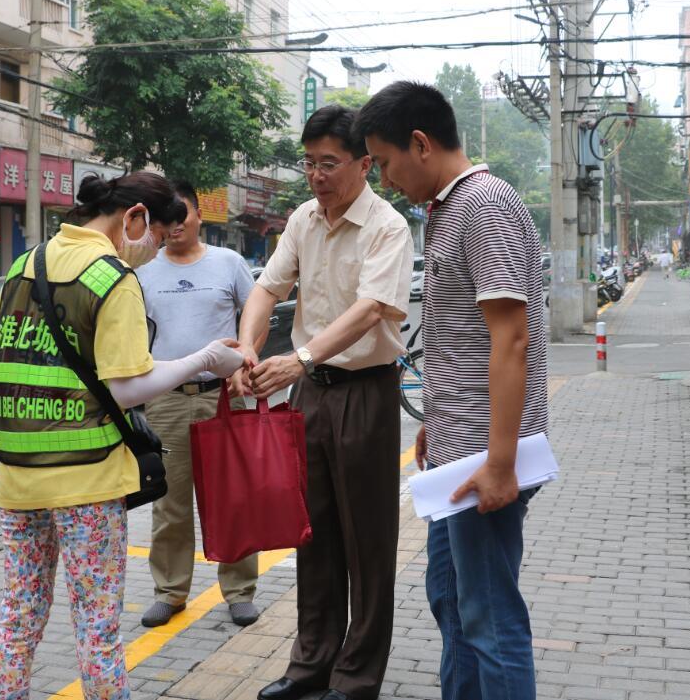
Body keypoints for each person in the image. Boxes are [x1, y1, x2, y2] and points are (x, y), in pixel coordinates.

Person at [0, 171, 245, 700]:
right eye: (156, 236)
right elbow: (126, 388)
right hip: (87, 481)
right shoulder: (112, 277)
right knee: (96, 627)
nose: (153, 250)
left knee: (19, 615)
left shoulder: (26, 264)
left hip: (19, 477)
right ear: (135, 218)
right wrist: (206, 358)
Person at [355, 81, 549, 700]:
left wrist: (500, 462)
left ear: (420, 143)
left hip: (484, 459)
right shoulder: (449, 209)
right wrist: (434, 427)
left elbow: (511, 339)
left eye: (385, 162)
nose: (385, 179)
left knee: (490, 618)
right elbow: (458, 340)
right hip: (456, 449)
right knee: (449, 596)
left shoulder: (484, 205)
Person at [235, 105, 414, 700]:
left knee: (368, 541)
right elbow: (267, 288)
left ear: (364, 164)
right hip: (310, 395)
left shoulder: (388, 226)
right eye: (309, 162)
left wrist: (302, 358)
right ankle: (310, 662)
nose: (316, 175)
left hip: (365, 392)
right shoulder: (303, 219)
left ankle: (356, 676)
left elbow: (371, 310)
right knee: (310, 531)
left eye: (329, 163)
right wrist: (247, 348)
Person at [136, 181, 261, 629]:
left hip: (223, 396)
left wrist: (247, 356)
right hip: (166, 400)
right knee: (168, 502)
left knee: (232, 497)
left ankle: (240, 591)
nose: (174, 226)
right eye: (164, 219)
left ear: (198, 214)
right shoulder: (143, 270)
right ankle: (169, 592)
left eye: (181, 215)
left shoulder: (228, 263)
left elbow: (255, 315)